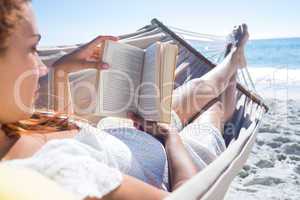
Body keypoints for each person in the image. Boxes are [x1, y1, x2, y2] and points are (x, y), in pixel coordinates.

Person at [0, 0, 249, 199]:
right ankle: (234, 64)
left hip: (132, 132)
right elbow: (190, 194)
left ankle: (231, 62)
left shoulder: (12, 124)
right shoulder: (55, 170)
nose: (43, 68)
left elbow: (67, 130)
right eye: (32, 49)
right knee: (215, 109)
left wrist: (63, 70)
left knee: (195, 89)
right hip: (171, 163)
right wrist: (171, 137)